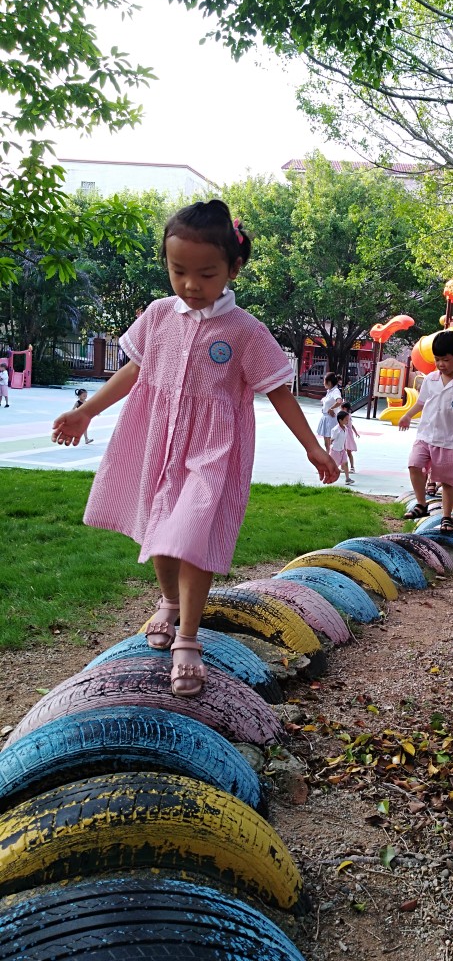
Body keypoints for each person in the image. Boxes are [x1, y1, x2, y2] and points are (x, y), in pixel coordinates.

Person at [51, 199, 339, 698]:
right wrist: (87, 411)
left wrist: (313, 448)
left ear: (234, 269)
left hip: (213, 451)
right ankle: (168, 600)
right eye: (178, 270)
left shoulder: (245, 332)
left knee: (193, 537)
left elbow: (279, 392)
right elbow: (134, 370)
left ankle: (188, 638)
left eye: (206, 274)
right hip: (158, 443)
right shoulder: (159, 315)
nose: (189, 284)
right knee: (161, 536)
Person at [398, 330, 453, 533]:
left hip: (450, 441)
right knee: (414, 464)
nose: (441, 364)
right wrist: (407, 415)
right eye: (437, 359)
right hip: (426, 435)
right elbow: (421, 403)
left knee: (447, 481)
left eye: (446, 360)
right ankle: (421, 503)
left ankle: (447, 516)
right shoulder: (430, 380)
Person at [316, 372, 343, 452]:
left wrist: (331, 408)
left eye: (324, 381)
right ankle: (329, 456)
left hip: (330, 419)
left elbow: (339, 401)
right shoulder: (330, 391)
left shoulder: (335, 391)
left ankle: (331, 457)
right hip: (326, 418)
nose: (323, 383)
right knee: (327, 444)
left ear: (329, 382)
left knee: (330, 443)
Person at [330, 409, 355, 485]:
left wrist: (344, 447)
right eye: (346, 420)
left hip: (342, 450)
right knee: (334, 466)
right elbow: (332, 440)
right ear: (340, 420)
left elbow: (344, 440)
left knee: (345, 463)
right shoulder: (335, 430)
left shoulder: (346, 429)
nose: (348, 421)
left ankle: (347, 479)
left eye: (348, 419)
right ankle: (328, 475)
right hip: (335, 451)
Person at [339, 400, 360, 473]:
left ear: (344, 408)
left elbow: (347, 424)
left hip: (347, 434)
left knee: (347, 451)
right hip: (347, 434)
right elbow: (351, 425)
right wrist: (355, 432)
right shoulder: (347, 415)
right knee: (345, 451)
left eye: (341, 407)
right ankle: (344, 467)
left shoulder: (346, 416)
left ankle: (351, 467)